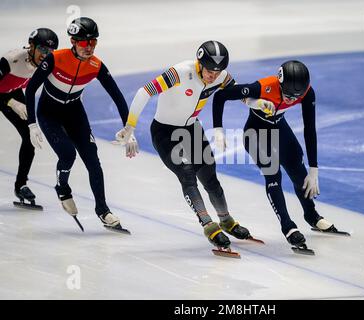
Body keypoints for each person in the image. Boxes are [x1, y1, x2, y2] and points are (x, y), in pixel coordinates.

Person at [116, 40, 256, 251]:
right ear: (199, 63)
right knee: (187, 174)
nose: (213, 76)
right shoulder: (180, 72)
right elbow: (144, 92)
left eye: (217, 72)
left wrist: (256, 103)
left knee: (211, 178)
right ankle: (209, 225)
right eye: (209, 71)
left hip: (191, 129)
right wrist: (130, 126)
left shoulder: (221, 76)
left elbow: (235, 93)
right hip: (165, 133)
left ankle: (226, 221)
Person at [212, 60, 349, 253]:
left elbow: (310, 129)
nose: (292, 99)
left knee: (299, 172)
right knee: (273, 176)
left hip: (279, 130)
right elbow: (221, 96)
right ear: (280, 84)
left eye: (296, 97)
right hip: (256, 134)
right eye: (287, 95)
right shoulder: (264, 87)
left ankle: (312, 216)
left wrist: (314, 169)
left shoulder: (307, 92)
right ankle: (288, 226)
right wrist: (218, 129)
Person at [25, 17, 135, 232]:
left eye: (93, 42)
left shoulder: (96, 65)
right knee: (67, 154)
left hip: (75, 113)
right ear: (73, 41)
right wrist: (32, 124)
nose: (89, 47)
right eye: (84, 43)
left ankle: (103, 210)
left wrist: (129, 130)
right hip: (49, 113)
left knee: (93, 161)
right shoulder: (55, 59)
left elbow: (118, 96)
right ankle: (63, 188)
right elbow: (30, 90)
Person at [0, 28, 58, 209]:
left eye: (50, 52)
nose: (45, 55)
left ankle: (21, 185)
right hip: (4, 94)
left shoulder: (49, 64)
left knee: (29, 137)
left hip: (11, 93)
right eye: (42, 49)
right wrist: (12, 103)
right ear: (31, 47)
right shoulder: (11, 60)